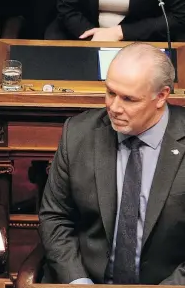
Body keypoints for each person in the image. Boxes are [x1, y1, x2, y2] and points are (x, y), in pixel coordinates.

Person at [39, 43, 185, 285]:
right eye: (110, 92)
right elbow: (55, 217)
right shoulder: (78, 134)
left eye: (129, 99)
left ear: (161, 96)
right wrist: (77, 280)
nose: (114, 108)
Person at [45, 0, 185, 41]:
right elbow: (67, 8)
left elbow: (179, 16)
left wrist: (121, 33)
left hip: (143, 34)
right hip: (80, 30)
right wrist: (96, 37)